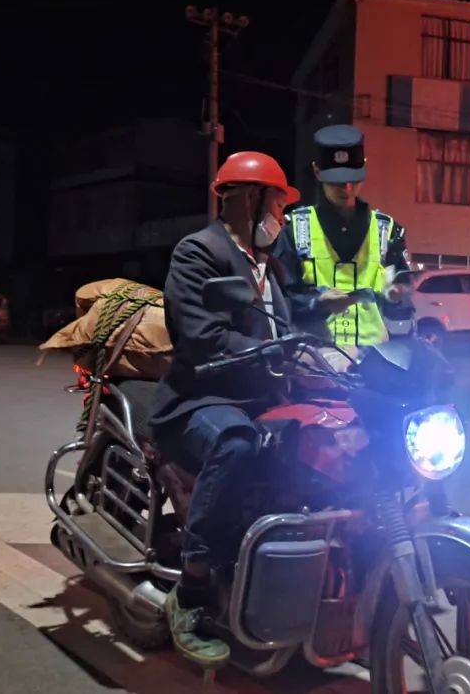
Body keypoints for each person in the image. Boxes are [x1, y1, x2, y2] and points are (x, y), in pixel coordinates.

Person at [146, 150, 299, 666]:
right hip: (201, 398)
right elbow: (201, 336)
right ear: (250, 199)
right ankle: (190, 592)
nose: (281, 217)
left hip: (261, 395)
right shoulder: (198, 252)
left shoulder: (267, 265)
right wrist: (269, 351)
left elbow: (292, 322)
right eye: (278, 204)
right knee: (237, 443)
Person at [274, 124, 410, 348]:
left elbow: (403, 305)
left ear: (364, 167)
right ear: (317, 171)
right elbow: (282, 301)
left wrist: (396, 297)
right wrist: (317, 303)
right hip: (314, 358)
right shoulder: (295, 230)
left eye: (353, 179)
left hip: (374, 358)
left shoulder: (387, 231)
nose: (346, 188)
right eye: (336, 181)